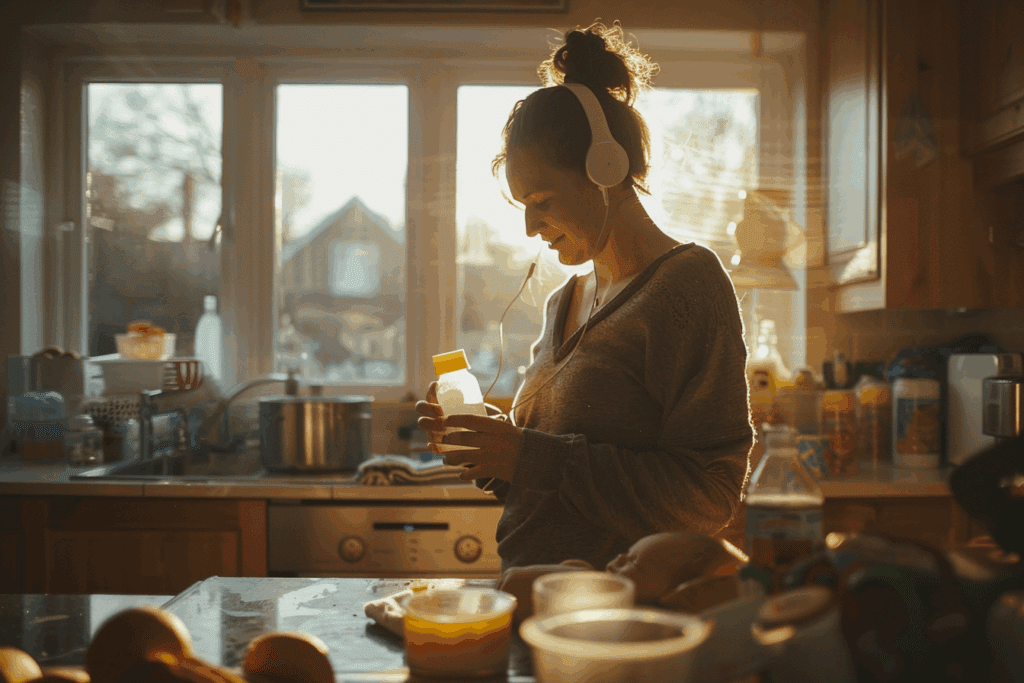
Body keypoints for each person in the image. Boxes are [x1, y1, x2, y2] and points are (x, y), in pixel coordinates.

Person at [416, 21, 753, 572]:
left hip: (617, 616)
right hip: (535, 596)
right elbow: (548, 481)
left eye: (542, 199)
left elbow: (706, 498)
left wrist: (525, 455)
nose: (529, 226)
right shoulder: (563, 303)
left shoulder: (686, 286)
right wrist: (487, 447)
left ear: (606, 170)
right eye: (521, 204)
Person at [494, 531, 747, 624]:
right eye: (625, 554)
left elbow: (515, 586)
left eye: (634, 564)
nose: (618, 561)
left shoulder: (625, 618)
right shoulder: (590, 580)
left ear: (669, 598)